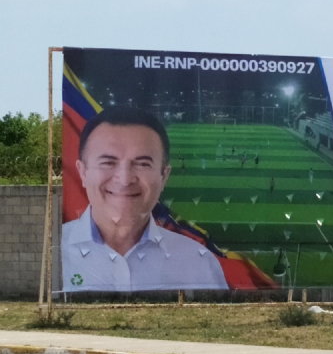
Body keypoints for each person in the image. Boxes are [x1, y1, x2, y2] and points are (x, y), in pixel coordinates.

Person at [62, 107, 230, 293]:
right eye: (108, 163)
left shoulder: (199, 263)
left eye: (142, 164)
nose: (125, 180)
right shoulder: (51, 256)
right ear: (82, 172)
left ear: (164, 176)